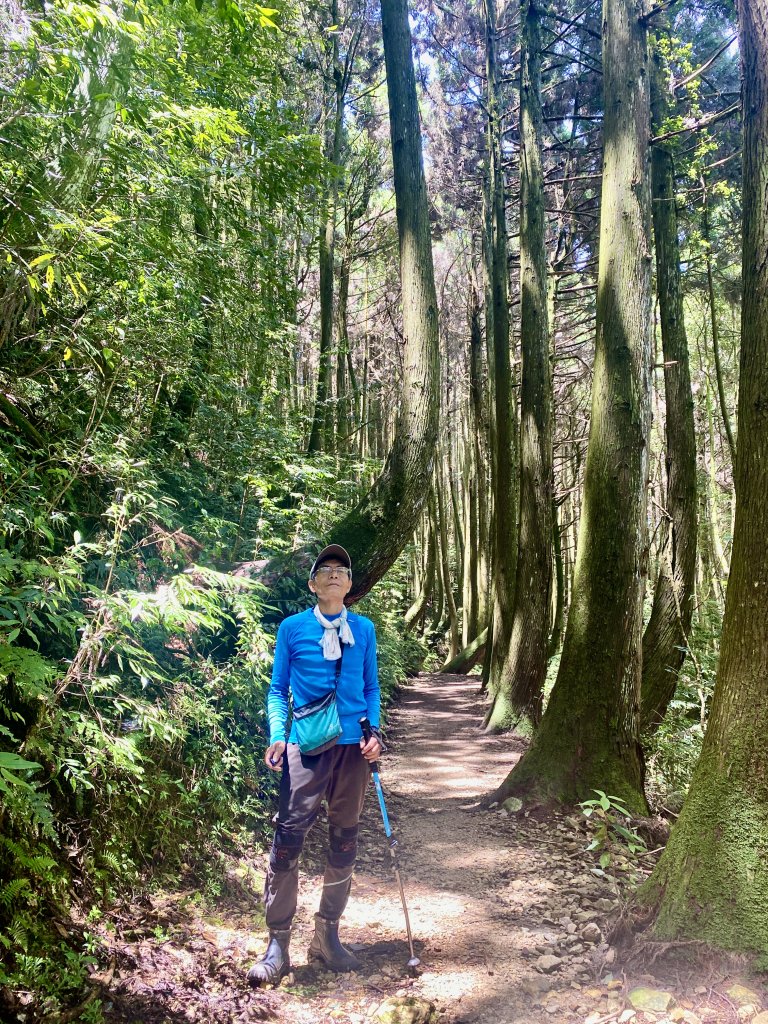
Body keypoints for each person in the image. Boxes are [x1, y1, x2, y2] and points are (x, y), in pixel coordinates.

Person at [248, 543, 382, 987]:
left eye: (342, 570)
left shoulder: (363, 630)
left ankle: (327, 934)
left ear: (349, 585)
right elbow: (277, 689)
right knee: (288, 839)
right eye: (325, 570)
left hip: (353, 749)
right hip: (305, 747)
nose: (334, 575)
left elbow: (371, 689)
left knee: (345, 839)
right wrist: (277, 735)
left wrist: (375, 733)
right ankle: (278, 943)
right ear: (312, 583)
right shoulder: (292, 629)